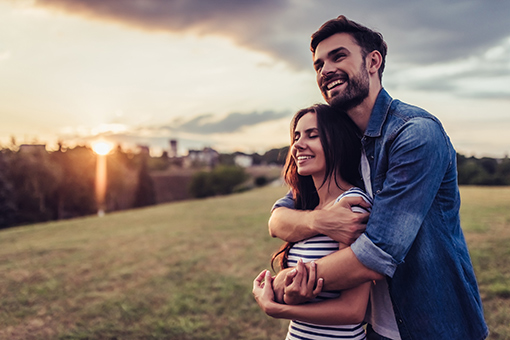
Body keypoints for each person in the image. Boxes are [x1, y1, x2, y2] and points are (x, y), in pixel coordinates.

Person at [263, 15, 489, 340]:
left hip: (436, 326)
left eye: (338, 56)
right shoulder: (341, 144)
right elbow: (278, 218)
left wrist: (288, 281)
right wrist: (321, 222)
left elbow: (375, 256)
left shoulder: (415, 134)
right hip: (376, 329)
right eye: (318, 64)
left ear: (373, 61)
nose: (325, 70)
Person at [253, 104, 372, 340]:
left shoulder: (352, 206)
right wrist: (290, 295)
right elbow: (274, 222)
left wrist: (280, 309)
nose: (297, 145)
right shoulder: (307, 208)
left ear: (337, 143)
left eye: (312, 135)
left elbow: (353, 310)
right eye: (296, 137)